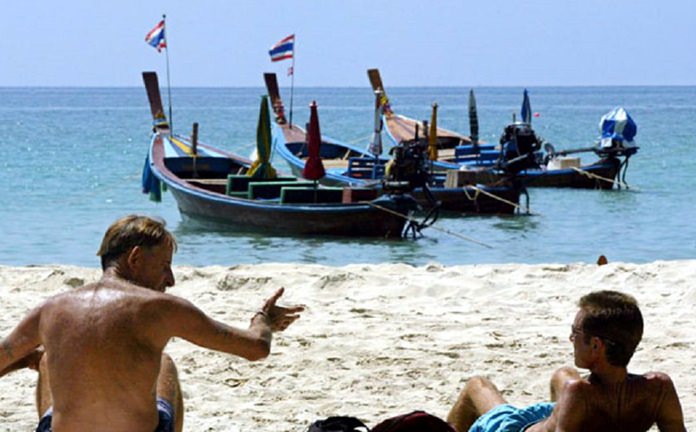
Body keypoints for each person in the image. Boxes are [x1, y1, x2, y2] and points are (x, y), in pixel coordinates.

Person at [0, 215, 304, 432]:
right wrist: (263, 319)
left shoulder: (51, 309)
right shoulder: (161, 308)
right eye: (165, 266)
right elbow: (255, 349)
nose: (170, 280)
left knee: (49, 360)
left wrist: (25, 360)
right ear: (134, 259)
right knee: (165, 363)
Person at [446, 290, 685, 432]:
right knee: (563, 373)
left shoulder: (579, 393)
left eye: (575, 333)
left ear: (595, 345)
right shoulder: (659, 388)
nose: (570, 338)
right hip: (560, 415)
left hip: (517, 429)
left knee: (477, 386)